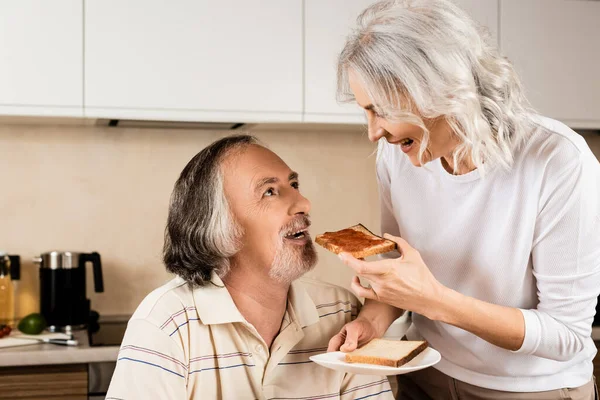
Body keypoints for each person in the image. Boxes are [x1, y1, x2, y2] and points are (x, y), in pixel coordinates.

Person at [328, 0, 600, 399]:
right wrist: (372, 319)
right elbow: (398, 271)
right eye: (365, 113)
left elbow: (567, 336)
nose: (373, 133)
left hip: (531, 390)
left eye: (380, 111)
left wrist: (436, 301)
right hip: (425, 374)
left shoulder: (557, 160)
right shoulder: (397, 155)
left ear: (438, 90)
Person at [106, 135, 393, 399]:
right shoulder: (166, 324)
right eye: (270, 192)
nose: (303, 203)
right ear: (220, 227)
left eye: (293, 185)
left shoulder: (341, 312)